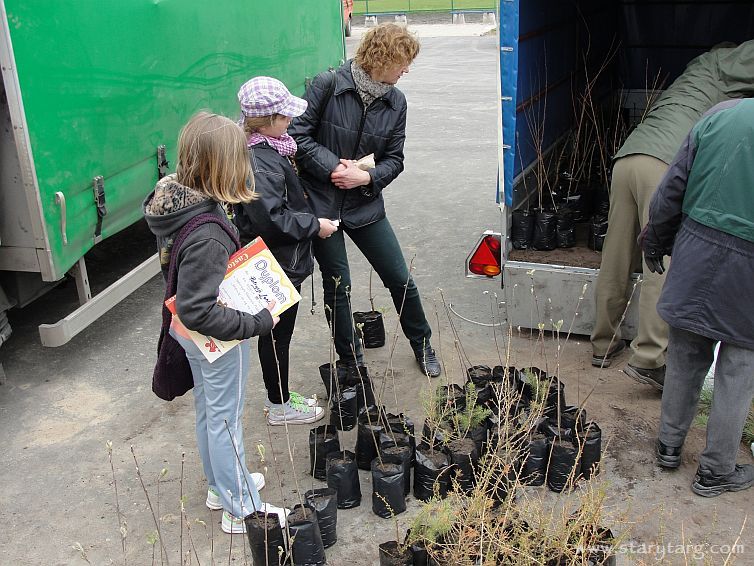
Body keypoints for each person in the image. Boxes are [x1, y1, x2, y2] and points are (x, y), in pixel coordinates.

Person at [144, 112, 288, 533]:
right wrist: (257, 322)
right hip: (213, 337)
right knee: (227, 419)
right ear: (226, 167)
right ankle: (241, 508)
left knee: (211, 412)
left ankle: (220, 486)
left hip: (190, 336)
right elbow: (199, 309)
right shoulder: (208, 232)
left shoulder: (178, 202)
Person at [590, 40, 754, 389]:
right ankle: (649, 358)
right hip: (663, 163)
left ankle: (603, 344)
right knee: (658, 260)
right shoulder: (727, 63)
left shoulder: (696, 72)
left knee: (616, 256)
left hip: (629, 156)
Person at [289, 23, 441, 377]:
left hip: (366, 204)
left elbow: (395, 159)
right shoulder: (328, 85)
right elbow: (297, 135)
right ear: (381, 57)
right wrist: (333, 169)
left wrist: (366, 177)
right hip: (322, 205)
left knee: (400, 278)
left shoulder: (396, 101)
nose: (406, 70)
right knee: (338, 286)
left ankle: (422, 344)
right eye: (402, 62)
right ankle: (351, 358)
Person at [641, 98, 754, 497]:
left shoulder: (720, 115)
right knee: (737, 374)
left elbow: (672, 187)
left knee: (685, 356)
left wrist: (654, 239)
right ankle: (715, 472)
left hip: (696, 255)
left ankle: (668, 447)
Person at [234, 76, 337, 425]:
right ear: (267, 120)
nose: (290, 122)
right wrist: (314, 225)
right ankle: (279, 406)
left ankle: (278, 396)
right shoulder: (260, 161)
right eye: (285, 116)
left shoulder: (267, 149)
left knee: (277, 332)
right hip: (276, 263)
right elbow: (271, 220)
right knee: (277, 333)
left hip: (278, 259)